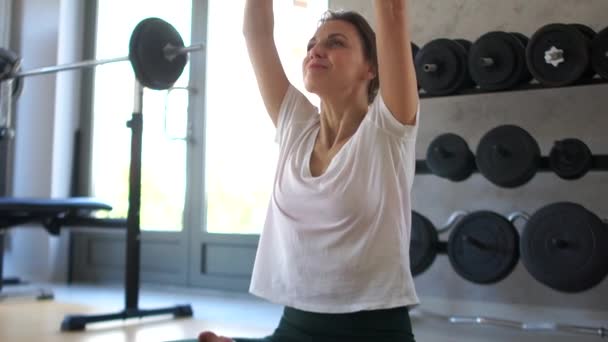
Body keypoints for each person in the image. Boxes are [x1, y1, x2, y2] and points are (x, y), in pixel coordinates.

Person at [200, 0, 419, 341]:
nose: (316, 50)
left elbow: (392, 13)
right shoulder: (296, 127)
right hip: (294, 329)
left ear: (371, 68)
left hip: (371, 333)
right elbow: (255, 32)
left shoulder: (387, 130)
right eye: (312, 44)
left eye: (336, 42)